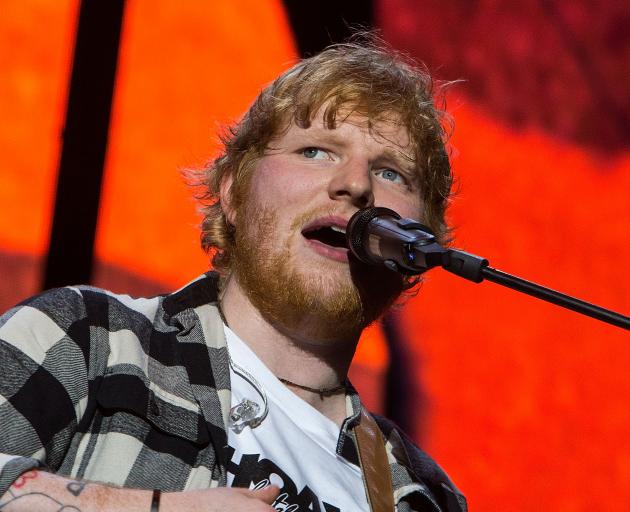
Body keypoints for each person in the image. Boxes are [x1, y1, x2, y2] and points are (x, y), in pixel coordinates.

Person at [0, 37, 466, 512]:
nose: (356, 184)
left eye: (391, 173)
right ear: (234, 192)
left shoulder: (422, 493)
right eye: (315, 151)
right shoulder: (88, 338)